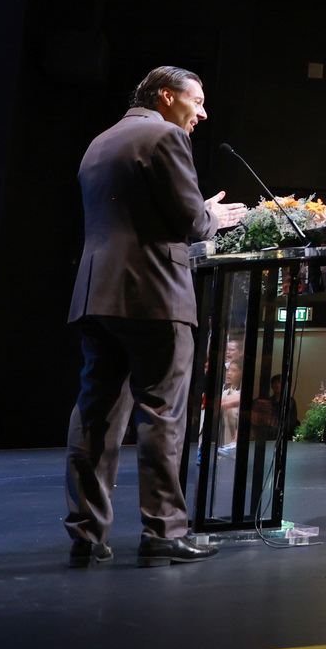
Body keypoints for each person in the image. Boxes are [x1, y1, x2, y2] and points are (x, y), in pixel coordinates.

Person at [65, 66, 249, 569]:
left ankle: (86, 534)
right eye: (198, 100)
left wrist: (198, 212)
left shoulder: (100, 141)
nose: (203, 113)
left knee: (94, 416)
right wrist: (215, 216)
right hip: (153, 295)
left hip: (96, 294)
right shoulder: (165, 135)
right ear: (168, 97)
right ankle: (164, 532)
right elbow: (190, 221)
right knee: (162, 415)